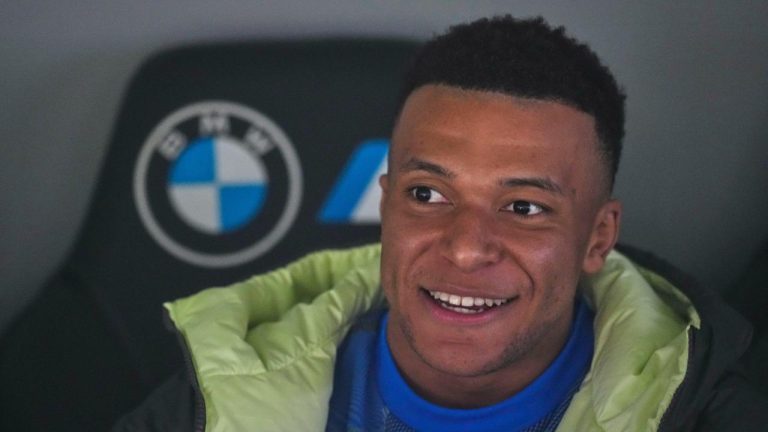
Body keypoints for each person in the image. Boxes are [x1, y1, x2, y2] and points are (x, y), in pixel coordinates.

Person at [114, 15, 768, 431]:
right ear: (387, 201)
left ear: (597, 238)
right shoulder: (217, 398)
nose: (464, 247)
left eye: (524, 208)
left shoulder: (709, 413)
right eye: (428, 195)